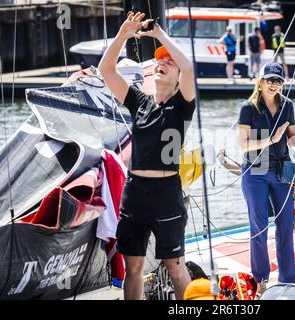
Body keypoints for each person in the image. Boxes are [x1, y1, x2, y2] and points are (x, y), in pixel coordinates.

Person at [98, 11, 195, 300]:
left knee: (176, 267)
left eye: (169, 62)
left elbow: (189, 69)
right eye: (160, 60)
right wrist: (122, 36)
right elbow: (106, 70)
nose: (162, 63)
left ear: (177, 77)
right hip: (135, 192)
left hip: (167, 193)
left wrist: (159, 34)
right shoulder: (139, 100)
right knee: (133, 267)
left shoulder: (181, 105)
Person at [237, 62, 295, 288]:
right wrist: (271, 140)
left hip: (281, 170)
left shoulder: (288, 105)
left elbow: (291, 138)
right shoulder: (249, 107)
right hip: (255, 171)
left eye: (278, 81)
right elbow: (243, 145)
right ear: (261, 81)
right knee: (259, 227)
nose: (274, 84)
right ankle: (261, 279)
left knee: (286, 225)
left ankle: (288, 279)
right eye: (270, 80)